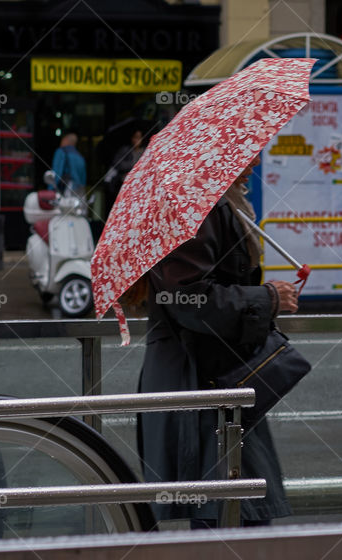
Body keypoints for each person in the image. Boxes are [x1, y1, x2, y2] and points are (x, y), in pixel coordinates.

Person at [138, 154, 294, 528]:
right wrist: (267, 298)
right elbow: (188, 298)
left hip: (217, 377)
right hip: (200, 378)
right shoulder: (199, 208)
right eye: (247, 151)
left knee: (234, 503)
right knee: (228, 508)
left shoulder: (222, 203)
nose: (256, 160)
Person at [108, 129, 145, 203]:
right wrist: (133, 165)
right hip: (125, 183)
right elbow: (117, 163)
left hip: (139, 185)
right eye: (135, 137)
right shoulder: (125, 150)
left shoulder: (144, 151)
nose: (137, 140)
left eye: (139, 137)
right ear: (131, 138)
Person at [51, 132, 86, 197]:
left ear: (65, 140)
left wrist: (51, 190)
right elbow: (83, 179)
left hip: (66, 192)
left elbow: (56, 173)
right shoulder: (80, 157)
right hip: (79, 192)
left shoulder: (61, 152)